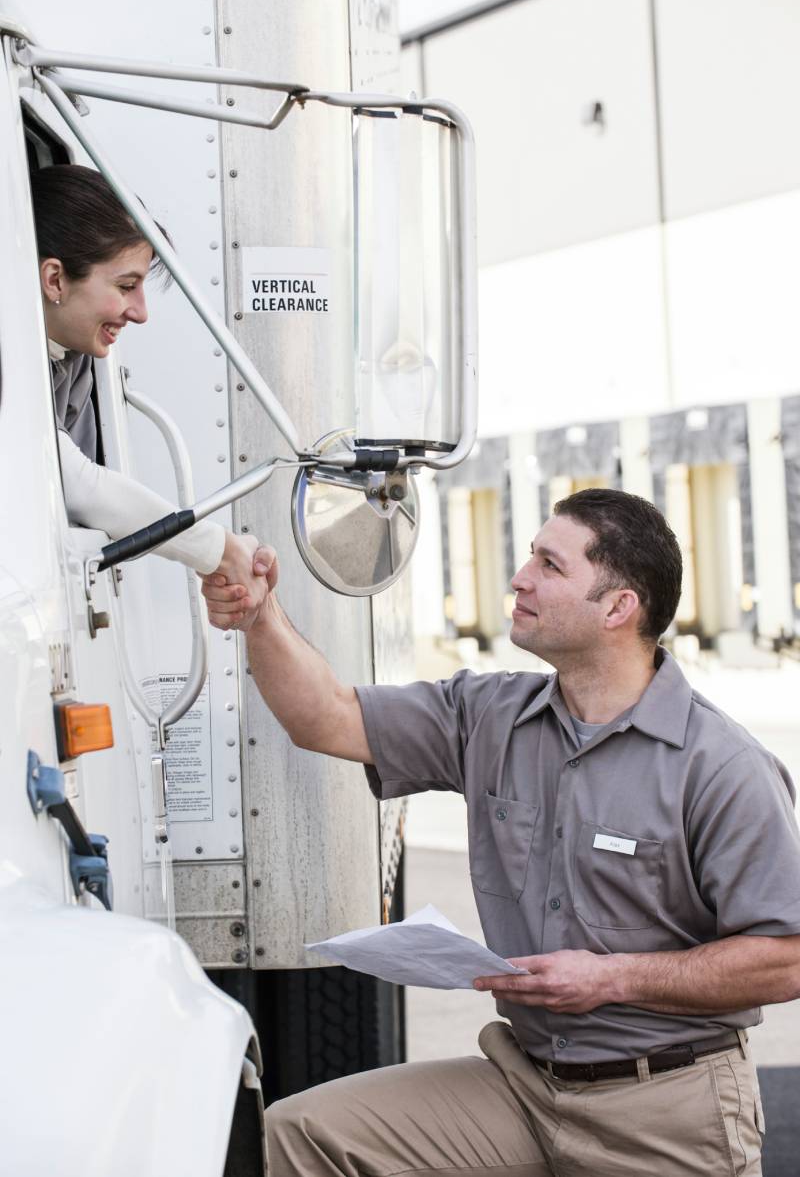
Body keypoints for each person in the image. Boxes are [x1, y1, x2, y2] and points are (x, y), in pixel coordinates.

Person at [202, 487, 800, 1176]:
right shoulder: (488, 715)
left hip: (663, 1103)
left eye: (550, 564)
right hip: (524, 1086)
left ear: (617, 607)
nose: (519, 578)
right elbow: (327, 718)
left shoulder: (721, 765)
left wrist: (612, 979)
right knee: (301, 1133)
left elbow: (782, 959)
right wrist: (260, 617)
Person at [32, 163, 264, 601]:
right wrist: (221, 552)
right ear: (54, 279)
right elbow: (74, 483)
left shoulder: (75, 358)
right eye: (126, 286)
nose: (141, 312)